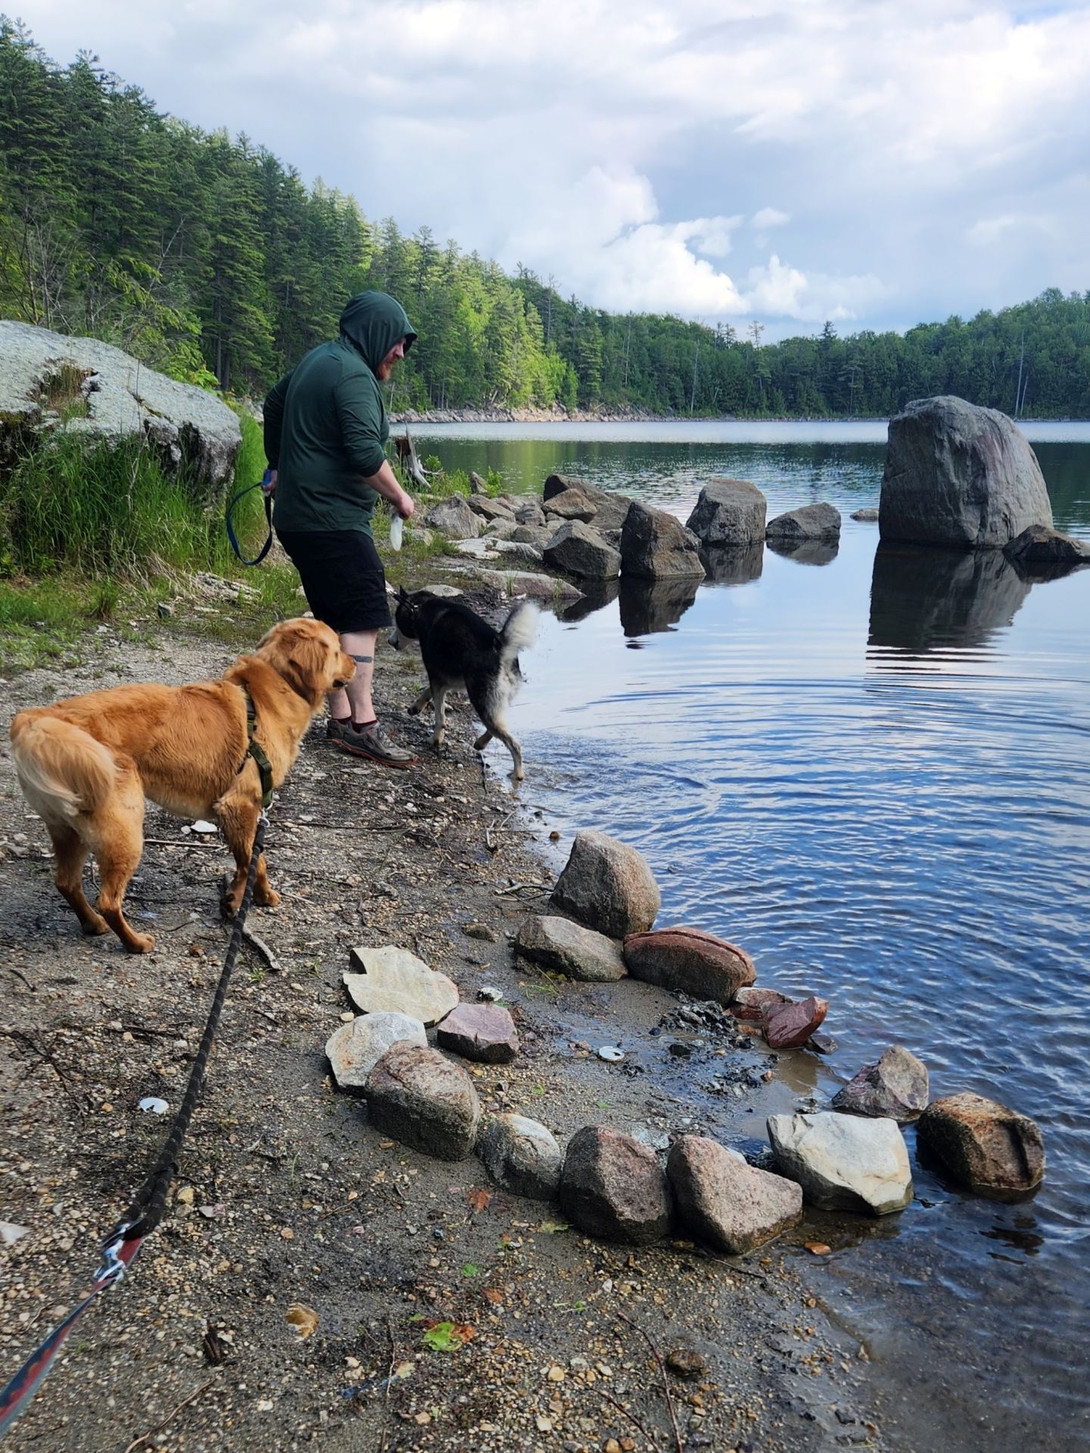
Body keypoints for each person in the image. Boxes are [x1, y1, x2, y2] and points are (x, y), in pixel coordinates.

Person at [263, 291, 418, 768]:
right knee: (364, 614)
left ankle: (340, 716)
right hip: (329, 519)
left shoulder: (320, 360)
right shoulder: (351, 373)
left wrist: (276, 466)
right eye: (396, 341)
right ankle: (363, 726)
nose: (400, 352)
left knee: (332, 615)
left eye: (406, 345)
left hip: (300, 516)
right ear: (372, 332)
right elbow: (363, 454)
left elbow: (273, 403)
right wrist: (400, 497)